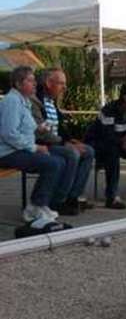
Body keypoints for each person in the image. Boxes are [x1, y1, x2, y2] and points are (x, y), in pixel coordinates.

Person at [0, 66, 66, 227]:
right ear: (18, 83)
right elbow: (9, 134)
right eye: (30, 80)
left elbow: (23, 127)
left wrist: (39, 128)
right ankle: (34, 208)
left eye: (34, 80)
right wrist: (35, 147)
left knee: (59, 161)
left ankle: (41, 204)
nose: (35, 84)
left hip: (18, 149)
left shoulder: (24, 101)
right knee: (53, 163)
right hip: (6, 152)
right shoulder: (12, 101)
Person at [31, 68, 95, 215]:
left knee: (88, 151)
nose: (64, 87)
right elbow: (41, 133)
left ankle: (73, 197)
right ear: (48, 83)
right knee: (72, 154)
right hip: (42, 144)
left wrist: (71, 140)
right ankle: (58, 201)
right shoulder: (36, 100)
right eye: (61, 83)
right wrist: (65, 143)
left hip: (55, 142)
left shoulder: (51, 101)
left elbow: (60, 128)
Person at [85, 82, 126, 208]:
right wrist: (123, 142)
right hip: (99, 143)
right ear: (125, 97)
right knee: (112, 152)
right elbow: (106, 135)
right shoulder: (109, 110)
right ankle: (112, 197)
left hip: (122, 144)